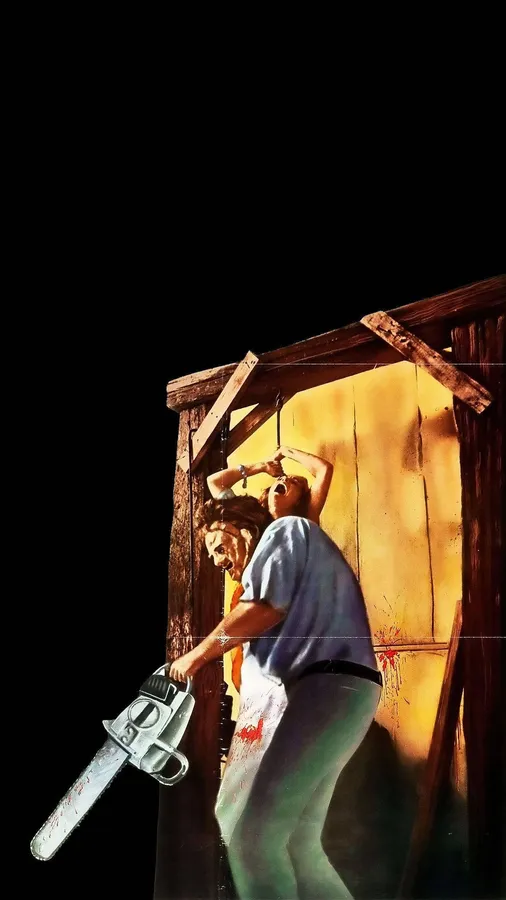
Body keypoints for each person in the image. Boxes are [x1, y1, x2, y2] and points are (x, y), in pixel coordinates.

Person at [169, 495, 382, 900]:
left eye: (218, 547)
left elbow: (264, 608)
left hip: (326, 685)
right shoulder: (285, 560)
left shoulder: (283, 531)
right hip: (337, 689)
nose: (216, 561)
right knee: (298, 843)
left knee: (252, 836)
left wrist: (195, 657)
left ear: (241, 530)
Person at [207, 444, 334, 525]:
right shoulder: (250, 519)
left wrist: (285, 451)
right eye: (282, 478)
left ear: (299, 501)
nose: (285, 480)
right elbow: (215, 482)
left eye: (294, 482)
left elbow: (324, 469)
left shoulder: (304, 520)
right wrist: (262, 466)